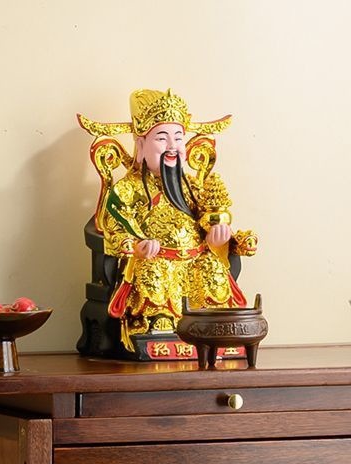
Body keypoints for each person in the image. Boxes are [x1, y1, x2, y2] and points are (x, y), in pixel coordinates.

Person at [79, 90, 258, 353]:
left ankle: (214, 326)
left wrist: (217, 237)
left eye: (178, 138)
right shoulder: (128, 189)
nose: (173, 146)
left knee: (211, 270)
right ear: (140, 145)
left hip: (195, 260)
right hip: (156, 260)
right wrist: (136, 246)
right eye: (162, 138)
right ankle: (158, 325)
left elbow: (210, 218)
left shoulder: (193, 187)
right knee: (154, 273)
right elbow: (116, 229)